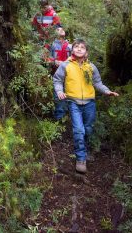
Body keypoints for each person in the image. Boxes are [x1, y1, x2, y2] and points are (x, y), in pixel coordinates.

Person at [53, 39, 119, 173]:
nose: (78, 49)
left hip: (90, 103)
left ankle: (85, 149)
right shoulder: (66, 65)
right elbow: (57, 79)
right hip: (73, 102)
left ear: (86, 52)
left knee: (88, 129)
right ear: (72, 50)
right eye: (76, 47)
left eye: (82, 47)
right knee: (79, 130)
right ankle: (80, 158)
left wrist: (107, 91)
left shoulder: (91, 67)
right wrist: (59, 91)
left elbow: (98, 83)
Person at [47, 27, 72, 120]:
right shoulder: (52, 44)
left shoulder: (70, 45)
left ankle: (67, 115)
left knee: (68, 93)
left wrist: (66, 63)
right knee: (58, 94)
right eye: (58, 29)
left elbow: (74, 58)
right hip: (56, 73)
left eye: (62, 29)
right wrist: (54, 62)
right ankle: (59, 118)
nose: (61, 30)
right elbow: (45, 57)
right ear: (54, 33)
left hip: (69, 74)